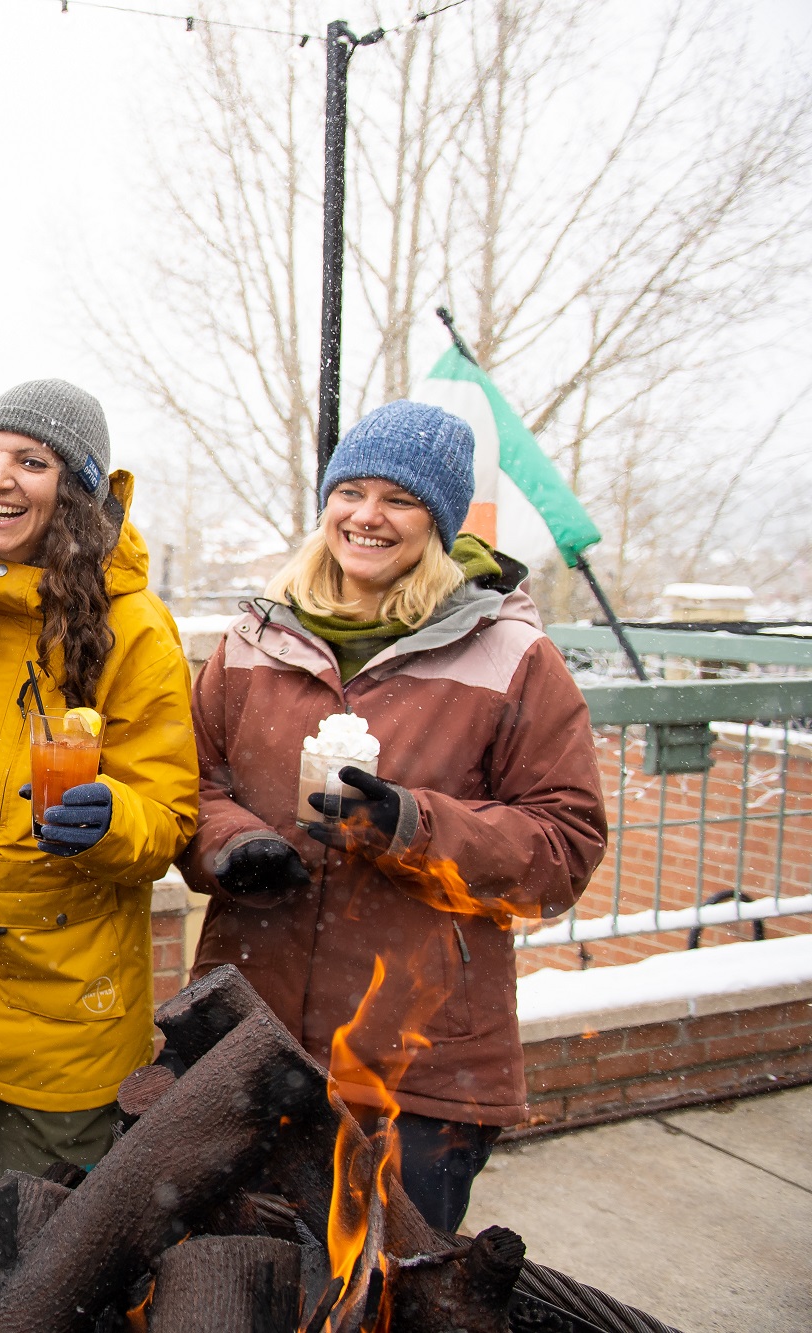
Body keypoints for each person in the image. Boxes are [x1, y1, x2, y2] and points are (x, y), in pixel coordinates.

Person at [179, 399, 608, 1232]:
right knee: (237, 1282)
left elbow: (565, 848)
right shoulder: (253, 640)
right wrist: (235, 844)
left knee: (391, 1293)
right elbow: (190, 785)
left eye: (400, 500)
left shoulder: (512, 656)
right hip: (251, 1043)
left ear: (439, 523)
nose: (368, 516)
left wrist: (413, 827)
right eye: (352, 491)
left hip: (420, 1066)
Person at [0, 379, 199, 1252]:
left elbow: (168, 814)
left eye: (31, 460)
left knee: (44, 1270)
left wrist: (111, 822)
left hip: (68, 1020)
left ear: (80, 490)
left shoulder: (136, 630)